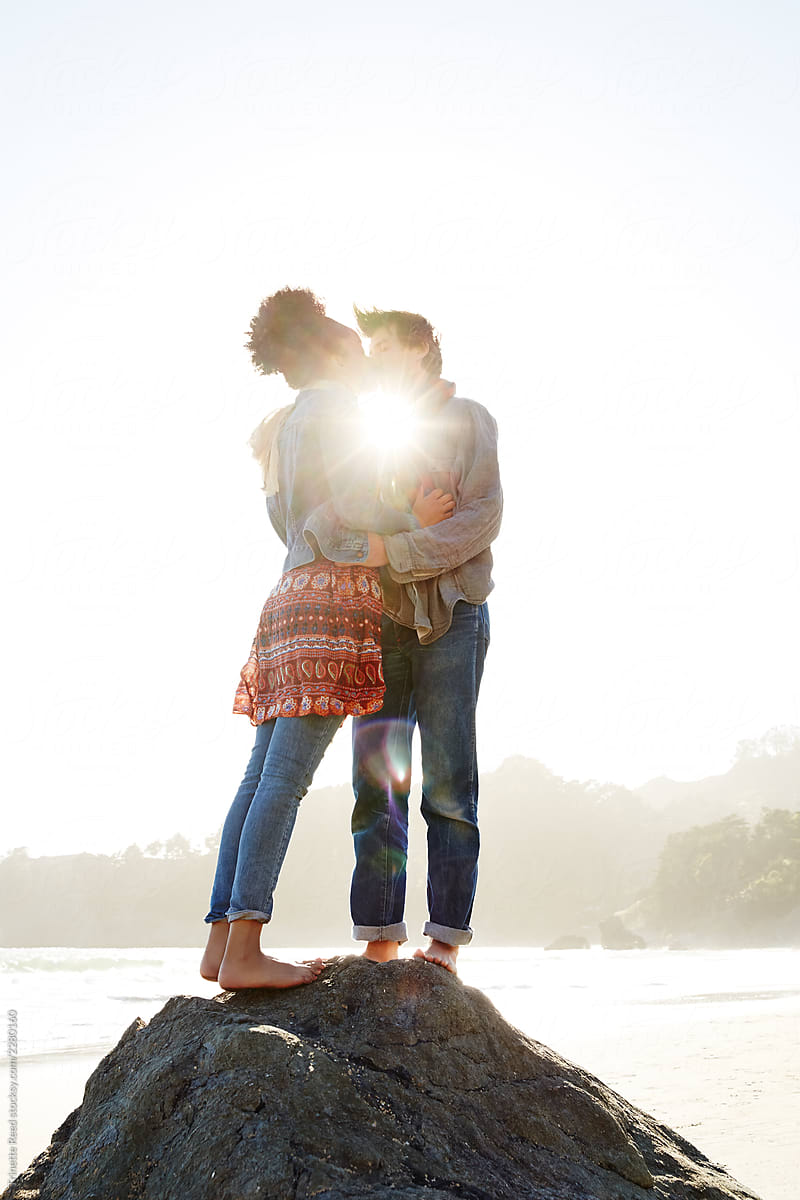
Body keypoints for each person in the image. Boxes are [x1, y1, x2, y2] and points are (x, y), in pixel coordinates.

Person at [199, 288, 453, 990]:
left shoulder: (282, 426)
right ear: (329, 352)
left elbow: (296, 524)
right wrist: (412, 515)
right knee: (283, 780)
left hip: (288, 596)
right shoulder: (338, 412)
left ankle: (222, 946)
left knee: (257, 778)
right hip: (330, 602)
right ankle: (247, 948)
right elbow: (345, 521)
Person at [348, 306, 502, 974]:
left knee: (448, 782)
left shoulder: (468, 419)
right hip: (380, 624)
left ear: (420, 350)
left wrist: (399, 545)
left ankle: (443, 941)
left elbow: (479, 519)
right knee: (375, 782)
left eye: (383, 345)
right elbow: (353, 528)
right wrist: (406, 525)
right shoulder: (363, 432)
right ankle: (381, 935)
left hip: (452, 617)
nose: (373, 356)